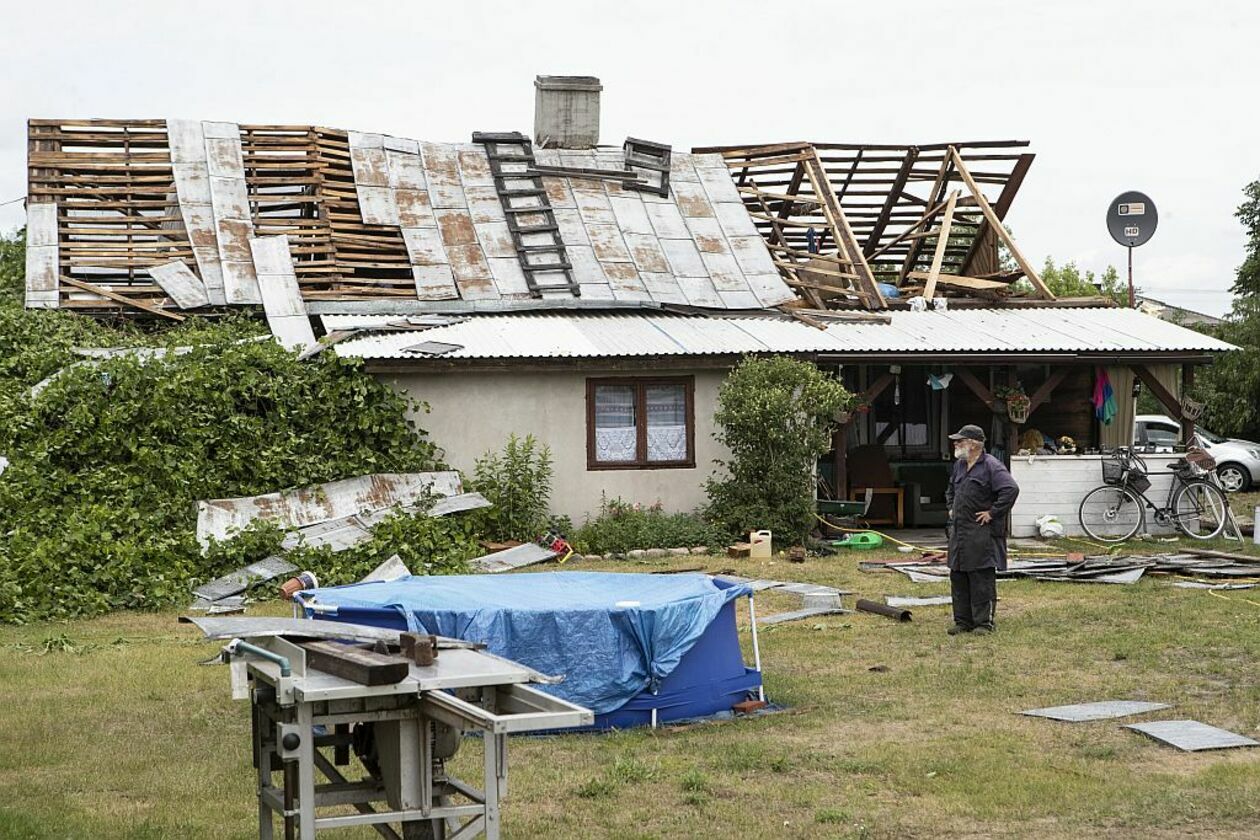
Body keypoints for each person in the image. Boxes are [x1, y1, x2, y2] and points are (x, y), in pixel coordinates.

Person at [945, 424, 1019, 636]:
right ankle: (962, 621)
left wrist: (992, 513)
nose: (955, 444)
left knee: (980, 577)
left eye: (960, 440)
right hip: (959, 530)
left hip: (981, 531)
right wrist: (951, 508)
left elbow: (1010, 489)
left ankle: (983, 623)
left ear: (974, 444)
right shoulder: (959, 465)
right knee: (958, 574)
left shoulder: (991, 466)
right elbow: (950, 489)